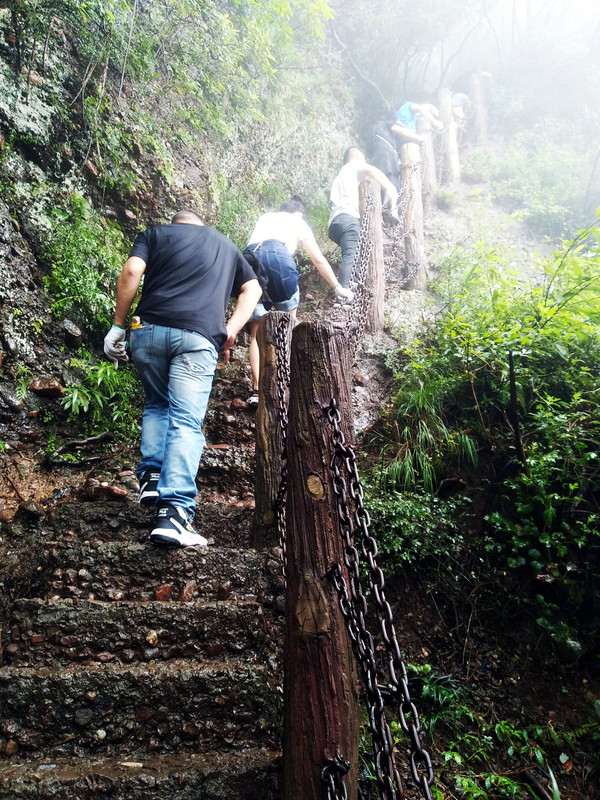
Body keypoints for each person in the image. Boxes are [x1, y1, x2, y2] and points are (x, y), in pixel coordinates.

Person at [103, 209, 261, 548]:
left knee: (158, 404)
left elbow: (132, 270)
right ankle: (173, 513)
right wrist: (230, 331)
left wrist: (117, 326)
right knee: (186, 422)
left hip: (146, 332)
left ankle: (152, 476)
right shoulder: (225, 244)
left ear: (176, 224)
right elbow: (253, 289)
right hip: (198, 338)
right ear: (201, 224)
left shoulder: (155, 234)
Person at [244, 196, 352, 404]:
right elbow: (318, 258)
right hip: (278, 259)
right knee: (288, 325)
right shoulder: (297, 221)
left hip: (251, 261)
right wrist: (337, 287)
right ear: (299, 213)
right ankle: (285, 382)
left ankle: (257, 390)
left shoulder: (266, 217)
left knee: (256, 333)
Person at [327, 146, 399, 291]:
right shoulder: (353, 166)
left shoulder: (340, 176)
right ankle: (344, 294)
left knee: (356, 250)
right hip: (349, 217)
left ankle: (353, 286)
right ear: (358, 156)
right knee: (352, 254)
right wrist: (389, 187)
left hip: (336, 221)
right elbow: (371, 170)